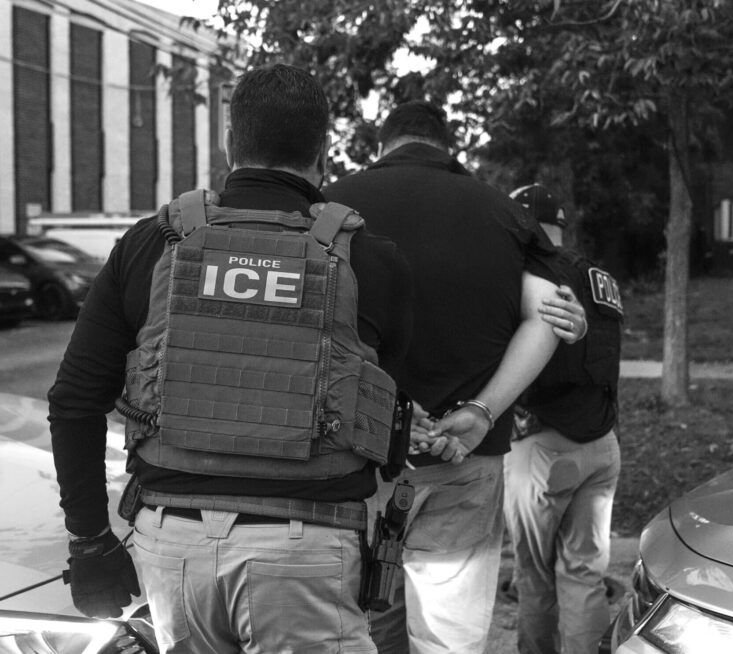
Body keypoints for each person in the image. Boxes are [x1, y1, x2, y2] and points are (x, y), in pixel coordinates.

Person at [48, 63, 414, 654]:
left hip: (174, 550)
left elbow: (73, 402)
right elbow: (388, 406)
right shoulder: (372, 260)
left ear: (229, 142)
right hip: (307, 551)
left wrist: (90, 541)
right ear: (324, 151)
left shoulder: (150, 242)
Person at [324, 100, 586, 654]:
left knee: (364, 627)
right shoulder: (503, 212)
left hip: (354, 458)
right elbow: (549, 315)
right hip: (465, 458)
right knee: (449, 639)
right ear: (448, 149)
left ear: (382, 147)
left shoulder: (331, 204)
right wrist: (483, 410)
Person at [502, 184, 623, 654]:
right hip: (601, 445)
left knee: (533, 579)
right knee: (584, 576)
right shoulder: (599, 276)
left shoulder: (533, 274)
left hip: (544, 449)